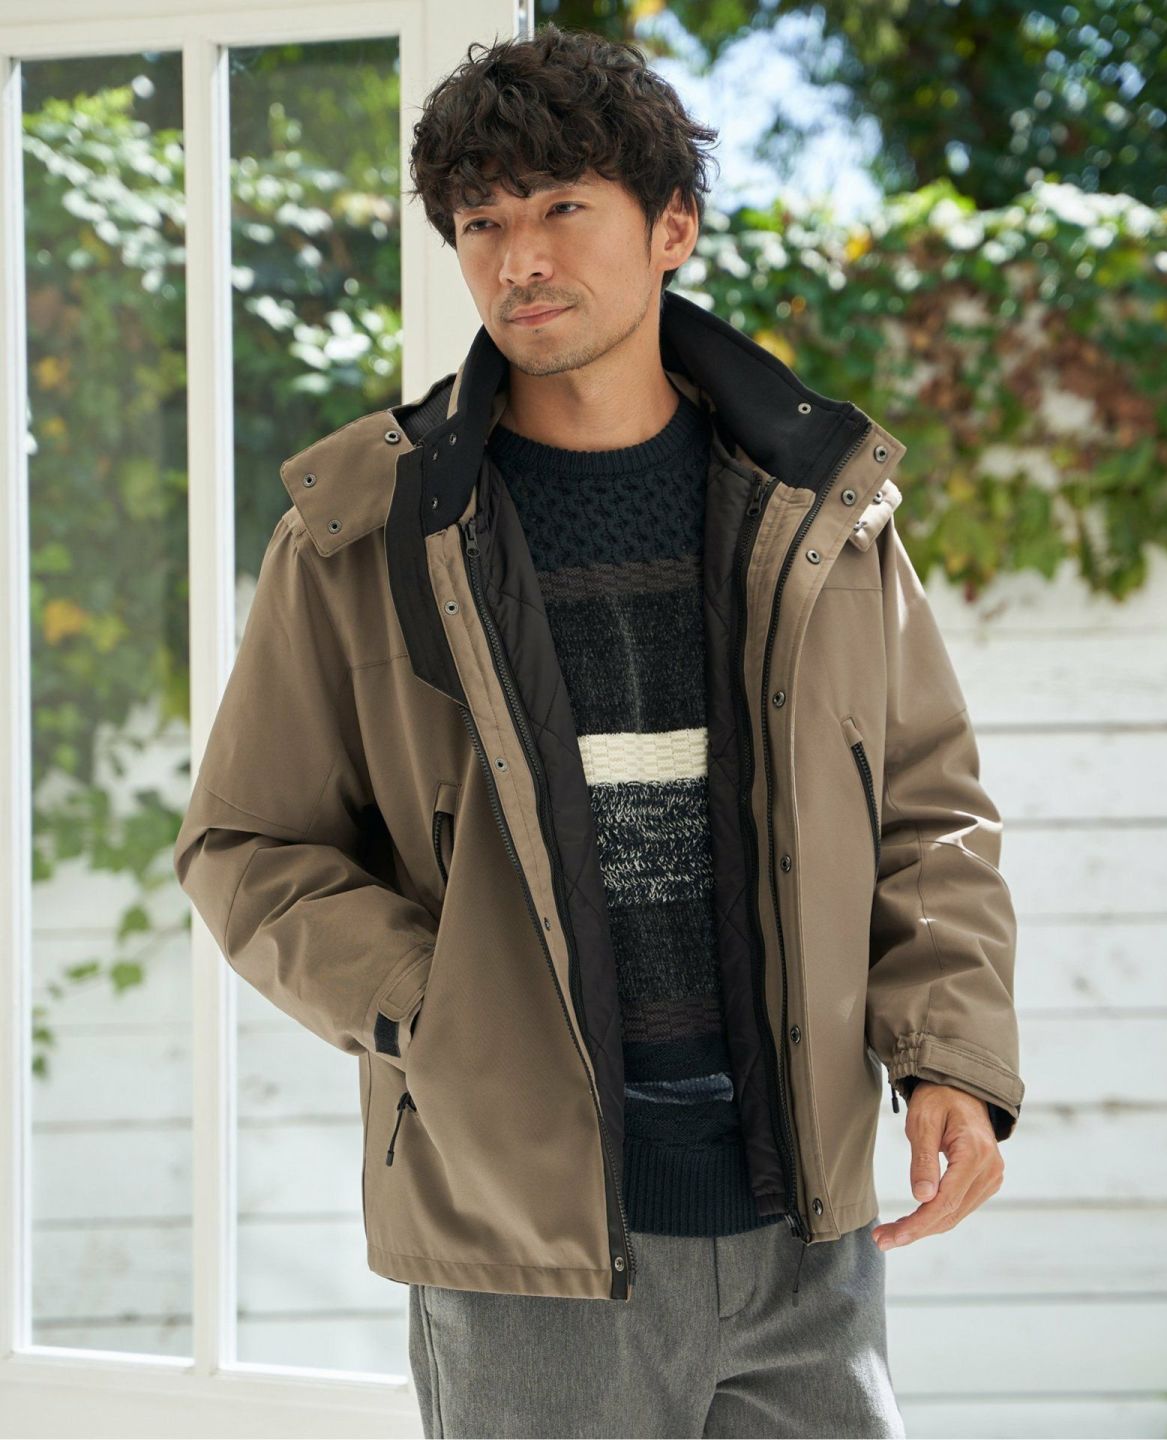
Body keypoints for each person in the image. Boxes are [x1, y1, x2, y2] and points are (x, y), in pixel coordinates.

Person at [174, 21, 1024, 1439]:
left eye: (563, 207)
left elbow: (927, 815)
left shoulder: (820, 509)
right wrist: (440, 1004)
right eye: (482, 223)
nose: (521, 258)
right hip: (525, 1253)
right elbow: (244, 845)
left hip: (804, 1229)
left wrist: (951, 1054)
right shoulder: (364, 532)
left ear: (672, 225)